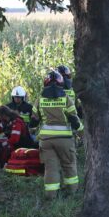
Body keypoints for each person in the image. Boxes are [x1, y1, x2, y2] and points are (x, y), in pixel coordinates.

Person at [32, 70, 83, 199]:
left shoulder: (40, 99)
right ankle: (72, 193)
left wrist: (32, 130)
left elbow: (33, 121)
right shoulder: (66, 99)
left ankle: (51, 195)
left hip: (46, 140)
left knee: (50, 168)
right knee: (69, 165)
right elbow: (75, 120)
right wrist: (82, 134)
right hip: (65, 140)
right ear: (61, 84)